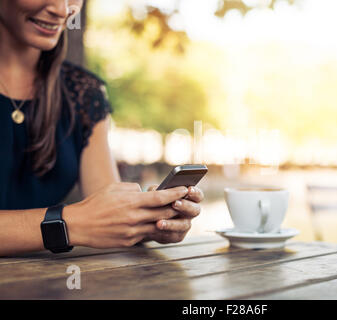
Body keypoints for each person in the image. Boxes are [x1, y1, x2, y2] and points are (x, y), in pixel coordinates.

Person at [0, 0, 203, 256]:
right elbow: (81, 223)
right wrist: (68, 223)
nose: (63, 10)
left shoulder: (84, 93)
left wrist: (149, 219)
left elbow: (108, 219)